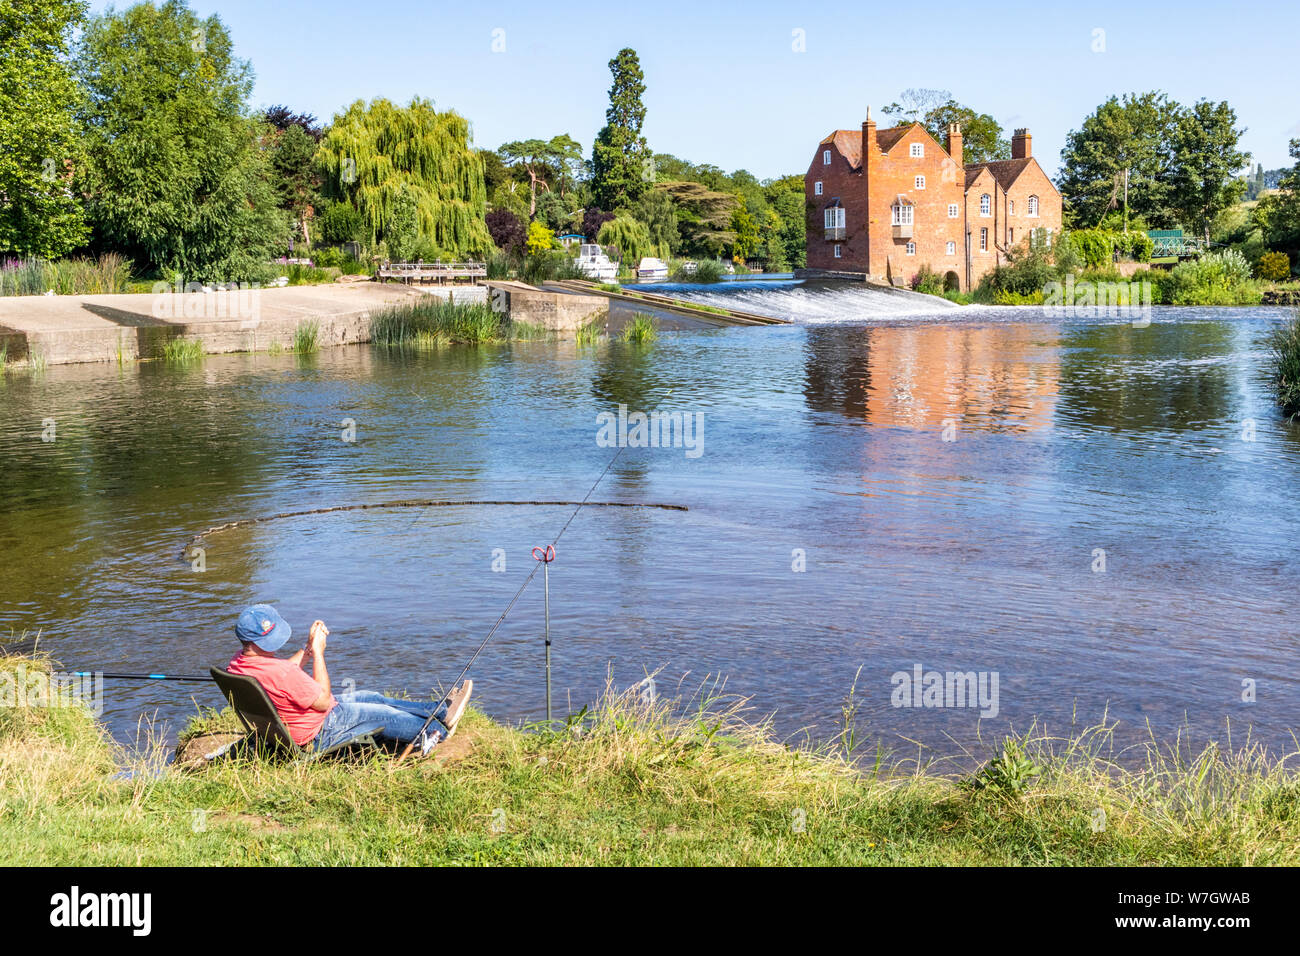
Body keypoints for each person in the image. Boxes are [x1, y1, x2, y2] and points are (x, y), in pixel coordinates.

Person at [225, 603, 471, 757]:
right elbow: (321, 701)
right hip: (320, 730)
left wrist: (308, 649)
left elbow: (282, 672)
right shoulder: (281, 673)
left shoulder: (239, 664)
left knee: (372, 697)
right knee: (383, 713)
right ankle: (436, 730)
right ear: (262, 641)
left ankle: (437, 710)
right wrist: (319, 654)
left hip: (295, 725)